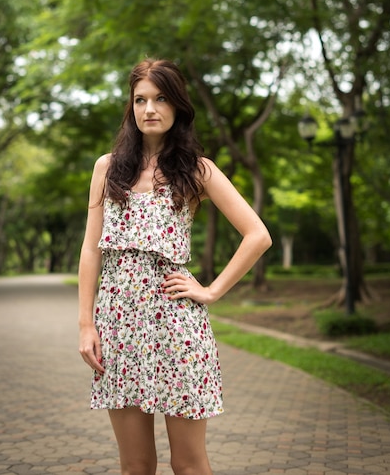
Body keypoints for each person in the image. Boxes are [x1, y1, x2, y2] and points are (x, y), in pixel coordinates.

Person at [78, 58, 272, 475]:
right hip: (118, 324)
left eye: (161, 98)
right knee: (135, 466)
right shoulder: (107, 168)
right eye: (140, 99)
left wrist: (211, 290)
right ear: (130, 107)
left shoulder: (198, 170)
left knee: (189, 464)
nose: (150, 108)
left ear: (178, 105)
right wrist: (85, 325)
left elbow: (258, 235)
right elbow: (91, 250)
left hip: (178, 326)